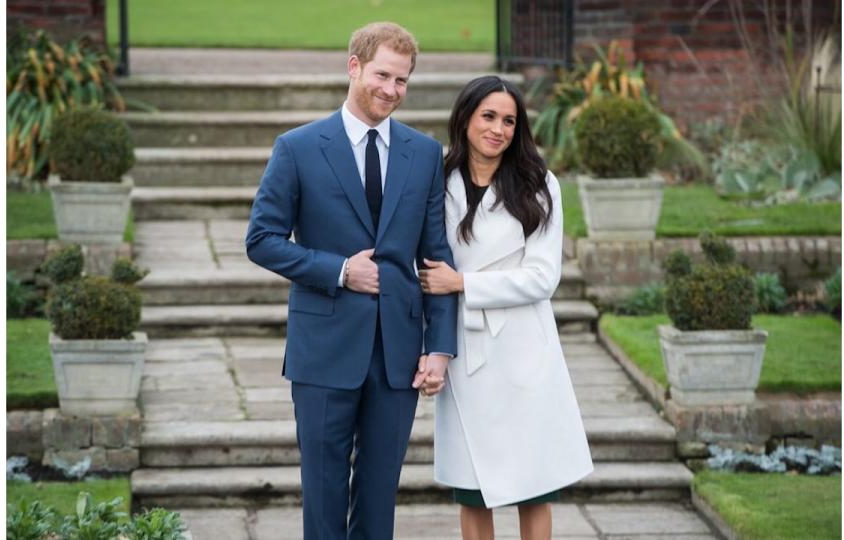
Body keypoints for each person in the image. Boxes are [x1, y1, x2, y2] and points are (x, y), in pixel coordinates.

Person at [245, 22, 457, 540]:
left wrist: (441, 347)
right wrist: (339, 271)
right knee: (323, 489)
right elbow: (262, 238)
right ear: (354, 66)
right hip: (323, 347)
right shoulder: (297, 147)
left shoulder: (425, 154)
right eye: (383, 75)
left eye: (402, 81)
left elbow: (437, 258)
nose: (391, 90)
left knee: (380, 491)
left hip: (398, 351)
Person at [418, 75, 594, 540]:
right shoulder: (438, 180)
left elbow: (542, 278)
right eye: (489, 116)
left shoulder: (538, 183)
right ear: (466, 118)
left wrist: (463, 283)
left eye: (509, 121)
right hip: (465, 348)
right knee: (471, 485)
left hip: (522, 350)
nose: (499, 129)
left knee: (532, 485)